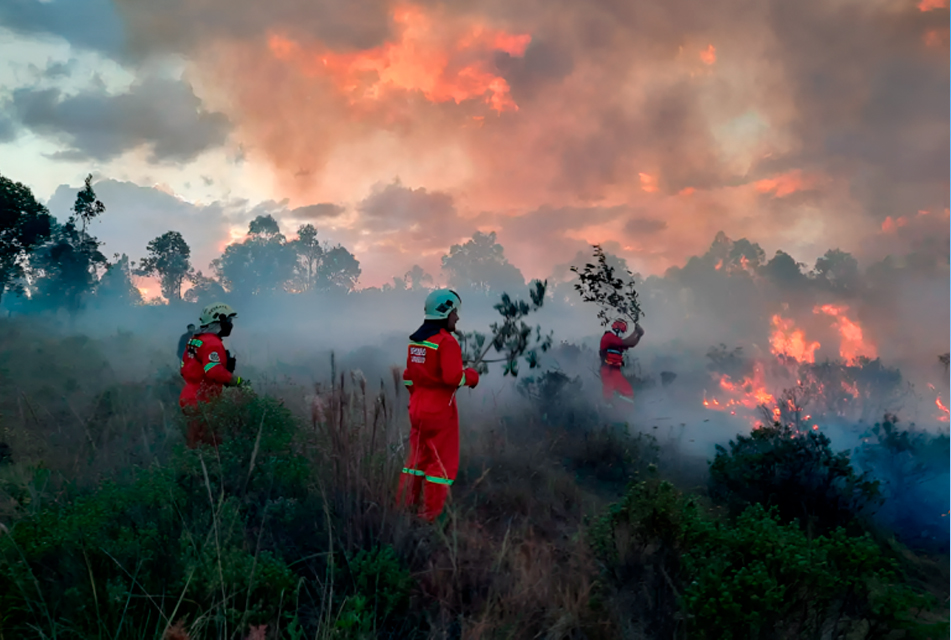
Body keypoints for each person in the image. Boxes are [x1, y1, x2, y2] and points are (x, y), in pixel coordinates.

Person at [398, 289, 480, 522]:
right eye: (455, 312)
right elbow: (453, 378)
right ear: (445, 311)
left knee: (416, 461)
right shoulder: (447, 342)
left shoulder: (416, 343)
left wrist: (418, 395)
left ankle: (404, 509)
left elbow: (407, 377)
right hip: (440, 412)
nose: (457, 317)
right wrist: (472, 376)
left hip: (417, 409)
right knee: (440, 465)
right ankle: (428, 518)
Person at [179, 302, 243, 448]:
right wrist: (239, 382)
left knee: (194, 440)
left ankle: (193, 466)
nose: (230, 324)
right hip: (203, 400)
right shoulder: (212, 343)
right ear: (220, 320)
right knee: (208, 444)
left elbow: (183, 369)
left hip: (188, 397)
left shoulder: (194, 341)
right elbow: (214, 371)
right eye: (229, 320)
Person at [599, 319, 645, 406]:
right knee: (608, 394)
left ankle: (625, 412)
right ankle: (607, 412)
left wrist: (639, 336)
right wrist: (636, 332)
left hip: (616, 371)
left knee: (628, 392)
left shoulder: (617, 342)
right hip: (607, 370)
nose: (622, 334)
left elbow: (631, 344)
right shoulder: (608, 337)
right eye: (622, 331)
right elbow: (626, 342)